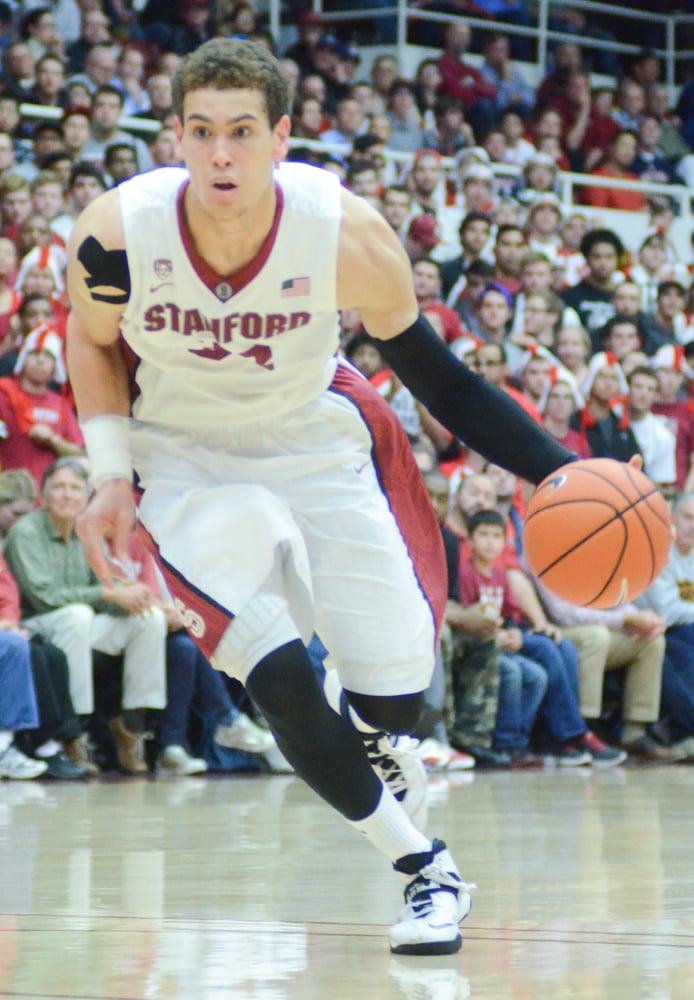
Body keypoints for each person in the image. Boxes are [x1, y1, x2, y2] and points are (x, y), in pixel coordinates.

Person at [65, 39, 580, 956]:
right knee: (277, 677)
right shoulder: (117, 231)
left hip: (315, 440)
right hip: (182, 459)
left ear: (283, 137)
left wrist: (556, 469)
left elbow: (443, 383)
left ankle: (376, 720)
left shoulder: (344, 232)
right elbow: (93, 341)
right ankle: (427, 869)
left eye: (242, 132)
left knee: (395, 695)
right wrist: (108, 469)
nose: (221, 154)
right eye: (201, 132)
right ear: (176, 134)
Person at [4, 458, 168, 775]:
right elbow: (44, 597)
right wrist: (109, 594)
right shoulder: (26, 533)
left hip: (77, 627)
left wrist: (139, 597)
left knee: (148, 619)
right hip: (34, 625)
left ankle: (131, 726)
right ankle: (74, 733)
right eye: (59, 488)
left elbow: (107, 584)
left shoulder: (84, 531)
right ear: (44, 495)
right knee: (77, 615)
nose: (67, 495)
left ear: (86, 497)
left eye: (75, 488)